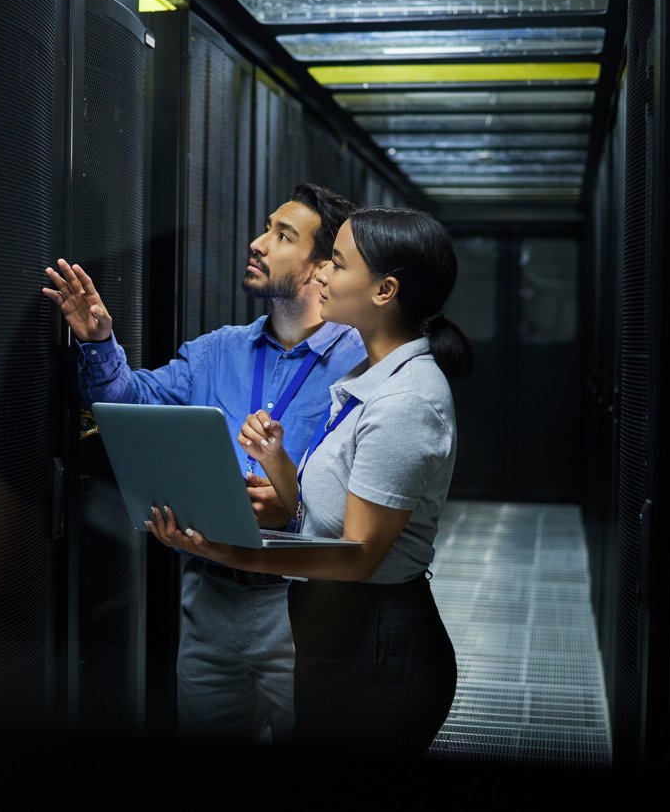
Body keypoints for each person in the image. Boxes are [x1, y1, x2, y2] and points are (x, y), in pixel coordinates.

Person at [145, 206, 473, 758]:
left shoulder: (406, 400)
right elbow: (324, 516)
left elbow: (357, 556)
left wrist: (223, 550)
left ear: (384, 291)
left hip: (378, 647)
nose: (321, 272)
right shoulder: (368, 378)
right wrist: (276, 463)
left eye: (337, 264)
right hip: (342, 634)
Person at [42, 183, 364, 747]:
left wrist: (296, 507)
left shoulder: (360, 363)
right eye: (266, 228)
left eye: (282, 236)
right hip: (209, 598)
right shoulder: (218, 351)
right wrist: (98, 341)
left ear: (321, 267)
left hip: (303, 603)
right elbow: (129, 402)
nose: (257, 242)